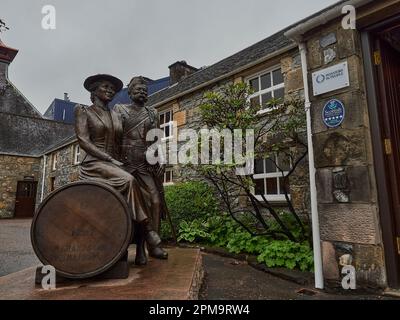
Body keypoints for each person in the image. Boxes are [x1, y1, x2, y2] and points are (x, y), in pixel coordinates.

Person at [75, 74, 152, 229]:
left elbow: (125, 138)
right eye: (106, 87)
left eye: (113, 89)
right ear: (94, 90)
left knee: (146, 196)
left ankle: (139, 248)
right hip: (94, 163)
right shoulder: (83, 110)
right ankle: (149, 231)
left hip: (114, 164)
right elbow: (83, 141)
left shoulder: (116, 115)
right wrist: (109, 159)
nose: (110, 91)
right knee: (128, 181)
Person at [114, 76, 168, 265]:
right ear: (129, 92)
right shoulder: (120, 110)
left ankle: (154, 245)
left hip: (145, 163)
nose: (142, 92)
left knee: (154, 200)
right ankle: (123, 245)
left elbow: (157, 139)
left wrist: (160, 159)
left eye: (145, 90)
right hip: (125, 162)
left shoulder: (152, 112)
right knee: (124, 203)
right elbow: (113, 137)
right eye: (137, 89)